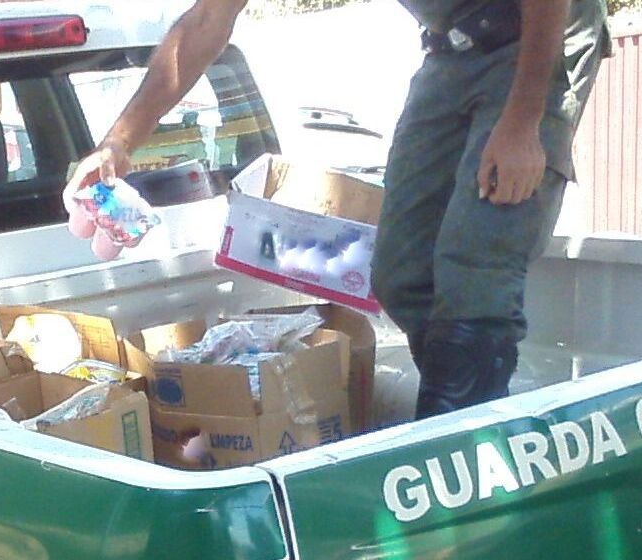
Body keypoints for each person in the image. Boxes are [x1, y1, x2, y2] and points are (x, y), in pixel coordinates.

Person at [64, 0, 607, 419]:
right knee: (399, 274)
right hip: (453, 47)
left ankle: (463, 461)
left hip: (540, 36)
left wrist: (524, 123)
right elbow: (207, 22)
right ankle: (468, 416)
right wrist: (120, 143)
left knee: (475, 267)